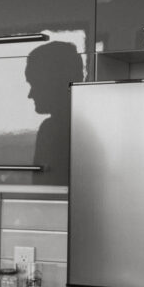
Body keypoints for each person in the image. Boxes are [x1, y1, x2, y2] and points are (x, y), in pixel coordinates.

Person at [26, 41, 83, 186]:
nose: (30, 94)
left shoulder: (52, 130)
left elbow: (41, 192)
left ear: (54, 82)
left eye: (35, 84)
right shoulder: (50, 128)